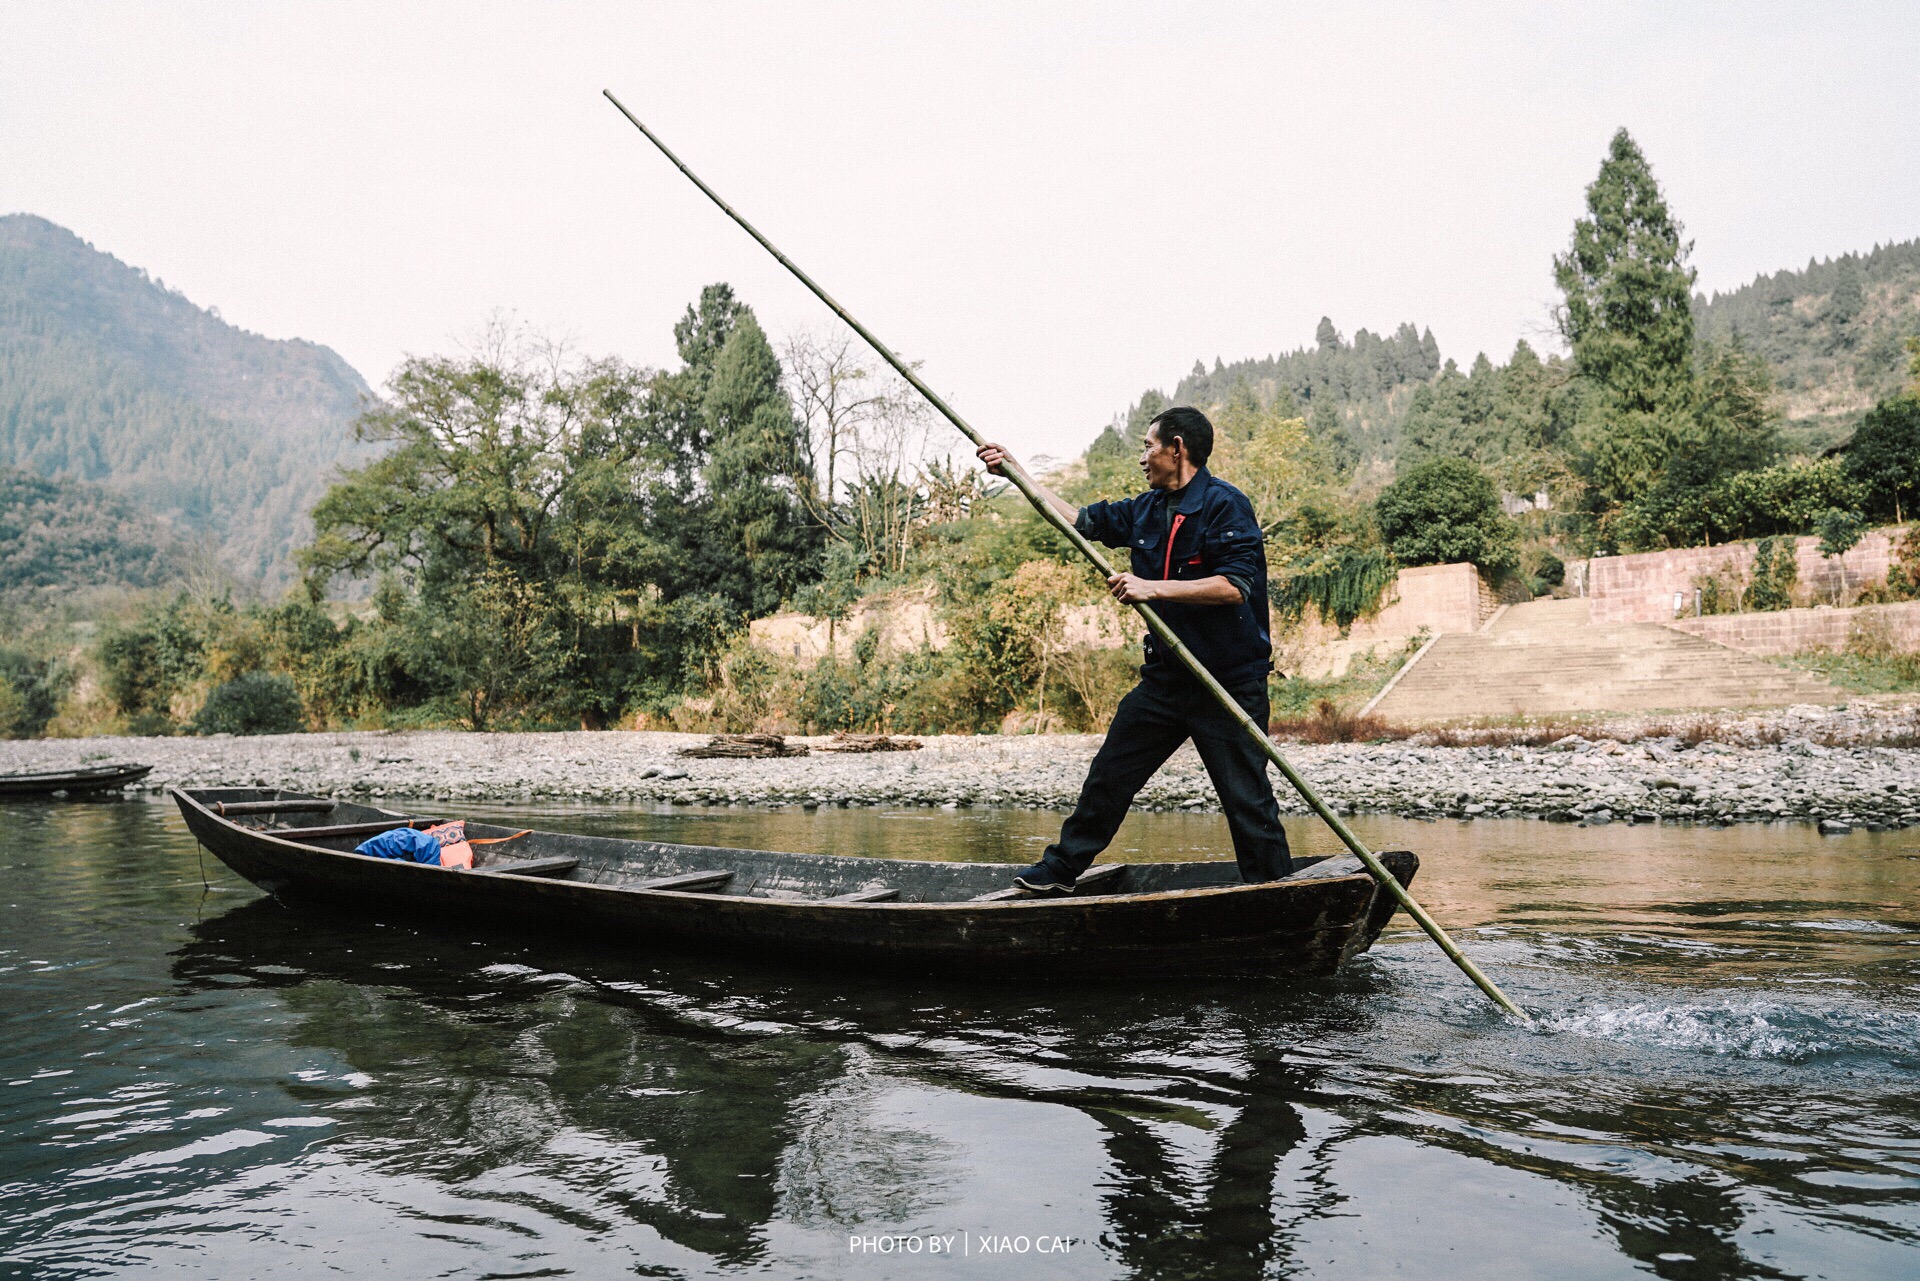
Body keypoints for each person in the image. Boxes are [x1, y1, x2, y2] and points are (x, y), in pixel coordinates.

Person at [976, 406, 1293, 893]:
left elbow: (1234, 587)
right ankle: (1059, 871)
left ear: (1177, 448)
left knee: (1247, 799)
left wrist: (1152, 588)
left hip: (1227, 683)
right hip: (1167, 681)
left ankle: (1277, 894)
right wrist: (1017, 473)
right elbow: (1079, 519)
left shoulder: (1225, 505)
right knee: (1110, 776)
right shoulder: (1144, 509)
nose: (1143, 457)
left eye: (1148, 446)